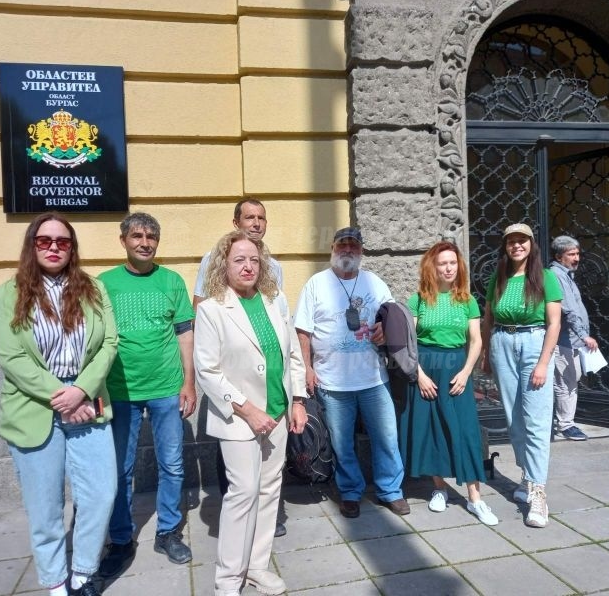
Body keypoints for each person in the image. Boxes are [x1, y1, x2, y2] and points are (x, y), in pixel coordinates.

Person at [0, 212, 117, 596]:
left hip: (87, 401)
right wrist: (62, 398)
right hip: (35, 407)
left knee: (100, 492)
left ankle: (82, 571)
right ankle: (55, 582)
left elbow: (109, 343)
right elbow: (12, 358)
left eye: (62, 241)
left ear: (72, 248)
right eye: (44, 240)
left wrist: (80, 389)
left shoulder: (94, 290)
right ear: (32, 245)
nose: (53, 247)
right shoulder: (6, 294)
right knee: (45, 509)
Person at [194, 230, 307, 596]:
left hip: (277, 414)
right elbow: (207, 371)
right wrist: (247, 409)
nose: (247, 266)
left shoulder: (274, 302)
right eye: (239, 259)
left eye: (254, 260)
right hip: (240, 419)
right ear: (223, 265)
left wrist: (298, 401)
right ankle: (228, 581)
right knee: (243, 493)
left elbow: (291, 355)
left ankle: (257, 567)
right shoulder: (212, 309)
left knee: (270, 491)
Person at [98, 212, 197, 577]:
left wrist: (189, 382)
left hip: (166, 387)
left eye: (151, 236)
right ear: (123, 240)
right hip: (119, 390)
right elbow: (92, 339)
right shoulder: (104, 283)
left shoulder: (171, 281)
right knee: (120, 470)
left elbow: (185, 333)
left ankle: (168, 531)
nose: (145, 242)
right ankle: (121, 539)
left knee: (172, 464)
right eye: (137, 235)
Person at [295, 227, 409, 519]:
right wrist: (306, 368)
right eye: (342, 245)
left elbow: (391, 315)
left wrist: (386, 328)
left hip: (373, 379)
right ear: (332, 248)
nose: (348, 250)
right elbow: (303, 331)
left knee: (386, 437)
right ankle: (350, 492)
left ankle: (391, 491)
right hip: (331, 381)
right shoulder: (316, 284)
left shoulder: (374, 282)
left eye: (354, 246)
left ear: (361, 251)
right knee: (342, 443)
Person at [193, 197, 288, 538]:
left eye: (262, 217)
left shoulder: (274, 265)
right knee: (238, 473)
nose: (256, 223)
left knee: (267, 474)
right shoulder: (216, 258)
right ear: (237, 222)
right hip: (234, 387)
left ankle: (266, 518)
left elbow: (279, 326)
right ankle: (237, 516)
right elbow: (204, 310)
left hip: (271, 393)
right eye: (249, 217)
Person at [400, 241, 498, 525]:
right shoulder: (418, 299)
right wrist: (419, 375)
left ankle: (475, 498)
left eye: (452, 263)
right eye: (443, 263)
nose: (448, 268)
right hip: (426, 369)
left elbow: (477, 340)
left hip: (456, 368)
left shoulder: (466, 300)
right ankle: (440, 488)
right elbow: (407, 341)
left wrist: (468, 372)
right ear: (433, 266)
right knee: (432, 429)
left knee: (465, 430)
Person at [481, 223, 562, 528]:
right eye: (511, 242)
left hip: (534, 343)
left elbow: (554, 323)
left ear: (531, 244)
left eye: (522, 241)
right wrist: (487, 353)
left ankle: (539, 493)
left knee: (537, 420)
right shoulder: (498, 278)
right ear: (505, 246)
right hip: (503, 342)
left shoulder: (546, 277)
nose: (517, 246)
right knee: (514, 419)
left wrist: (543, 363)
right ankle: (528, 478)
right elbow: (488, 318)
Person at [549, 235, 599, 441]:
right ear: (559, 256)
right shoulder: (557, 275)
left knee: (567, 381)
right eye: (571, 254)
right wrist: (583, 335)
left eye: (577, 253)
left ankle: (560, 421)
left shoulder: (567, 275)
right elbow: (567, 310)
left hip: (571, 340)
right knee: (566, 383)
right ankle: (565, 425)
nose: (576, 258)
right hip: (565, 340)